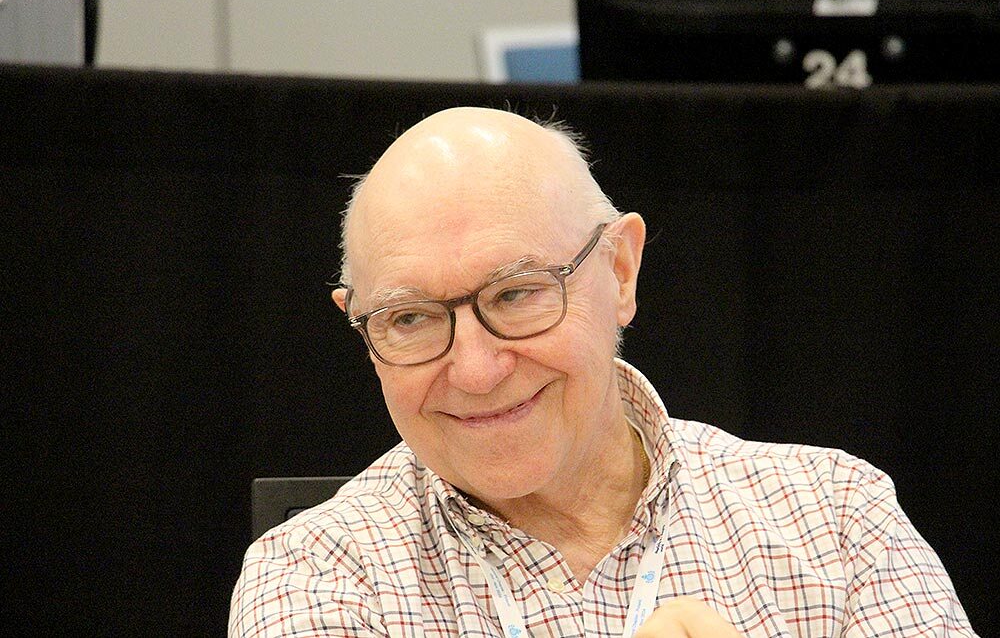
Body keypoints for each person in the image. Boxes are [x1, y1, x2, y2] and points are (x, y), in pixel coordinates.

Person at [229, 107, 977, 637]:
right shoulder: (317, 576)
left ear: (620, 269)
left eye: (516, 295)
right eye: (411, 318)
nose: (477, 370)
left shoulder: (834, 520)